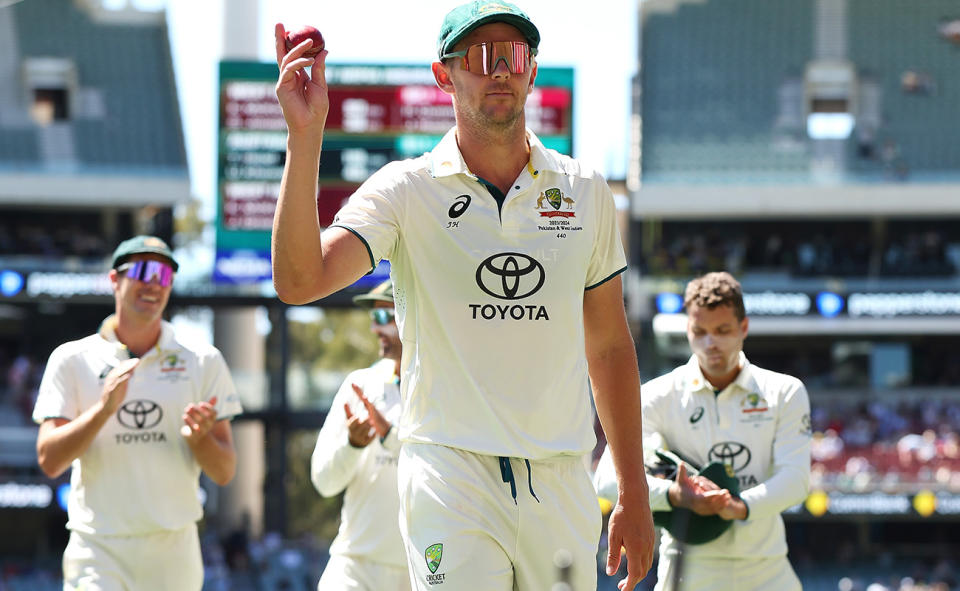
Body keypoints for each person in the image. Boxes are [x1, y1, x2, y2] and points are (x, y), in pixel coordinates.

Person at [271, 2, 655, 589]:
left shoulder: (585, 190)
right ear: (443, 74)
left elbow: (607, 345)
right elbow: (300, 280)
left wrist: (633, 487)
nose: (499, 69)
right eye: (479, 56)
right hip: (449, 474)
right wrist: (306, 136)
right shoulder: (404, 190)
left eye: (514, 55)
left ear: (531, 71)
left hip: (561, 475)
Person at [33, 235, 243, 591]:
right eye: (143, 270)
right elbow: (50, 460)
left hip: (173, 549)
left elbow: (224, 471)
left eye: (164, 276)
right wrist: (103, 411)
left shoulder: (203, 360)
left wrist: (199, 438)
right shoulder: (71, 359)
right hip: (98, 546)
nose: (153, 284)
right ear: (114, 279)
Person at [594, 271, 812, 591]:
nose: (711, 343)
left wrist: (738, 505)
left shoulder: (785, 391)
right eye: (700, 331)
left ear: (744, 328)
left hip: (768, 571)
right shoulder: (656, 395)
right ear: (688, 330)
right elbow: (606, 480)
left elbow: (796, 480)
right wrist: (675, 495)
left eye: (722, 330)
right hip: (685, 572)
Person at [310, 279, 410, 591]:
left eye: (385, 317)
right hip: (354, 569)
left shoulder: (444, 387)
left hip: (423, 570)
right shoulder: (360, 384)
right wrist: (353, 444)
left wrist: (390, 435)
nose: (375, 329)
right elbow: (324, 482)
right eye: (373, 318)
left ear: (412, 317)